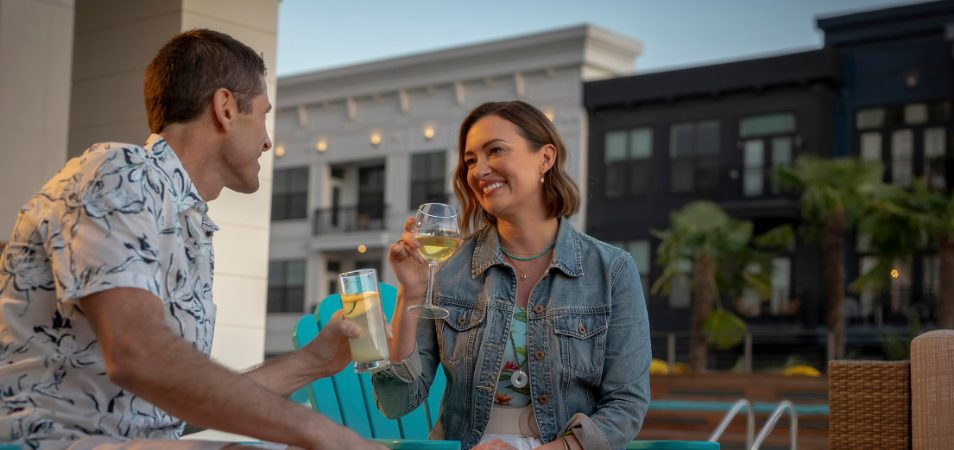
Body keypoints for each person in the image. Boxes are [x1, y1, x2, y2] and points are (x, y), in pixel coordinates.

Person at [0, 29, 384, 450]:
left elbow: (173, 406)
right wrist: (325, 434)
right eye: (263, 114)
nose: (267, 140)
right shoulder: (119, 171)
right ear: (225, 108)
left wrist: (311, 363)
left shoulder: (188, 222)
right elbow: (139, 354)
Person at [374, 101, 650, 450]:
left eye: (495, 151)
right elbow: (398, 402)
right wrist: (410, 295)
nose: (479, 170)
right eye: (471, 159)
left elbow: (627, 405)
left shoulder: (612, 270)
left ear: (545, 158)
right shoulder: (448, 269)